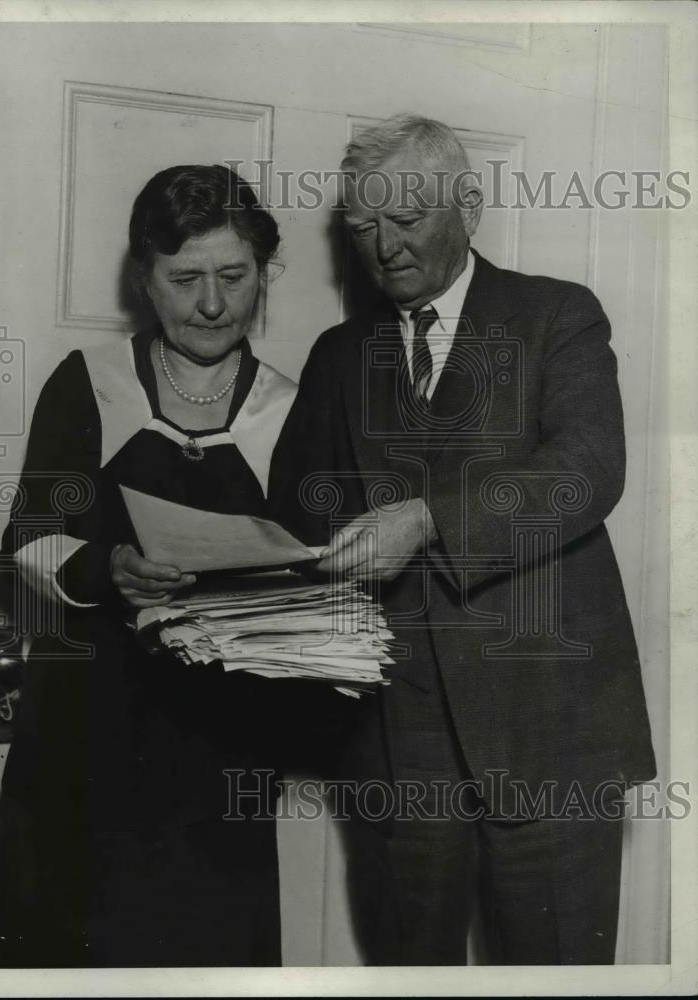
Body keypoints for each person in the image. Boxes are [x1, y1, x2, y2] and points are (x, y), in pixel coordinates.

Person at [270, 114, 657, 965]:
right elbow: (295, 520)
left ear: (467, 208)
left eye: (407, 219)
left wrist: (427, 520)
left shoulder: (557, 316)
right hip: (396, 746)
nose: (384, 248)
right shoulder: (338, 356)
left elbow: (586, 470)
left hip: (550, 732)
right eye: (363, 226)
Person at [0, 165, 298, 967]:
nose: (212, 304)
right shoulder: (88, 384)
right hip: (81, 741)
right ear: (142, 279)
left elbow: (310, 583)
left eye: (235, 276)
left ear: (262, 273)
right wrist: (105, 569)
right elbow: (25, 543)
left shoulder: (292, 409)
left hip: (220, 756)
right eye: (184, 279)